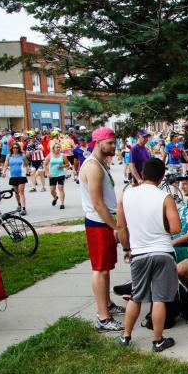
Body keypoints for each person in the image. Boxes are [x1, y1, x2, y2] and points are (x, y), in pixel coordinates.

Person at [115, 158, 181, 352]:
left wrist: (127, 248)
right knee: (159, 298)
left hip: (139, 253)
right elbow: (176, 227)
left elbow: (120, 226)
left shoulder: (126, 195)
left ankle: (126, 336)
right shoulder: (165, 197)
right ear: (162, 177)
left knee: (136, 295)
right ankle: (158, 340)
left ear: (142, 173)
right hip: (163, 252)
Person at [80, 127, 125, 332]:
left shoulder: (100, 164)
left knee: (106, 268)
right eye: (110, 143)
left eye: (114, 143)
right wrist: (114, 226)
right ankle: (103, 318)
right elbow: (97, 203)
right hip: (98, 223)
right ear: (98, 143)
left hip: (103, 222)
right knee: (100, 269)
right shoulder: (93, 167)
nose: (114, 147)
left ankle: (107, 304)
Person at [6, 142, 28, 215]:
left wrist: (27, 168)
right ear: (12, 148)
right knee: (16, 192)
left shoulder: (22, 156)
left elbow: (26, 164)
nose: (15, 149)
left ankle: (23, 208)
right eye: (14, 148)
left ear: (18, 149)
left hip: (21, 176)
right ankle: (19, 204)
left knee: (21, 192)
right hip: (13, 176)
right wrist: (3, 171)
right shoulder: (9, 156)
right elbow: (6, 164)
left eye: (16, 148)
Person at [45, 141, 68, 208]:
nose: (58, 148)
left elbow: (67, 164)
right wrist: (47, 173)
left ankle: (62, 204)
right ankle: (55, 197)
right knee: (52, 190)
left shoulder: (62, 155)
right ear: (53, 148)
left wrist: (62, 166)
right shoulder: (50, 155)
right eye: (57, 147)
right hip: (52, 175)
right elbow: (44, 164)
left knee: (61, 188)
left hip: (61, 174)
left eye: (59, 147)